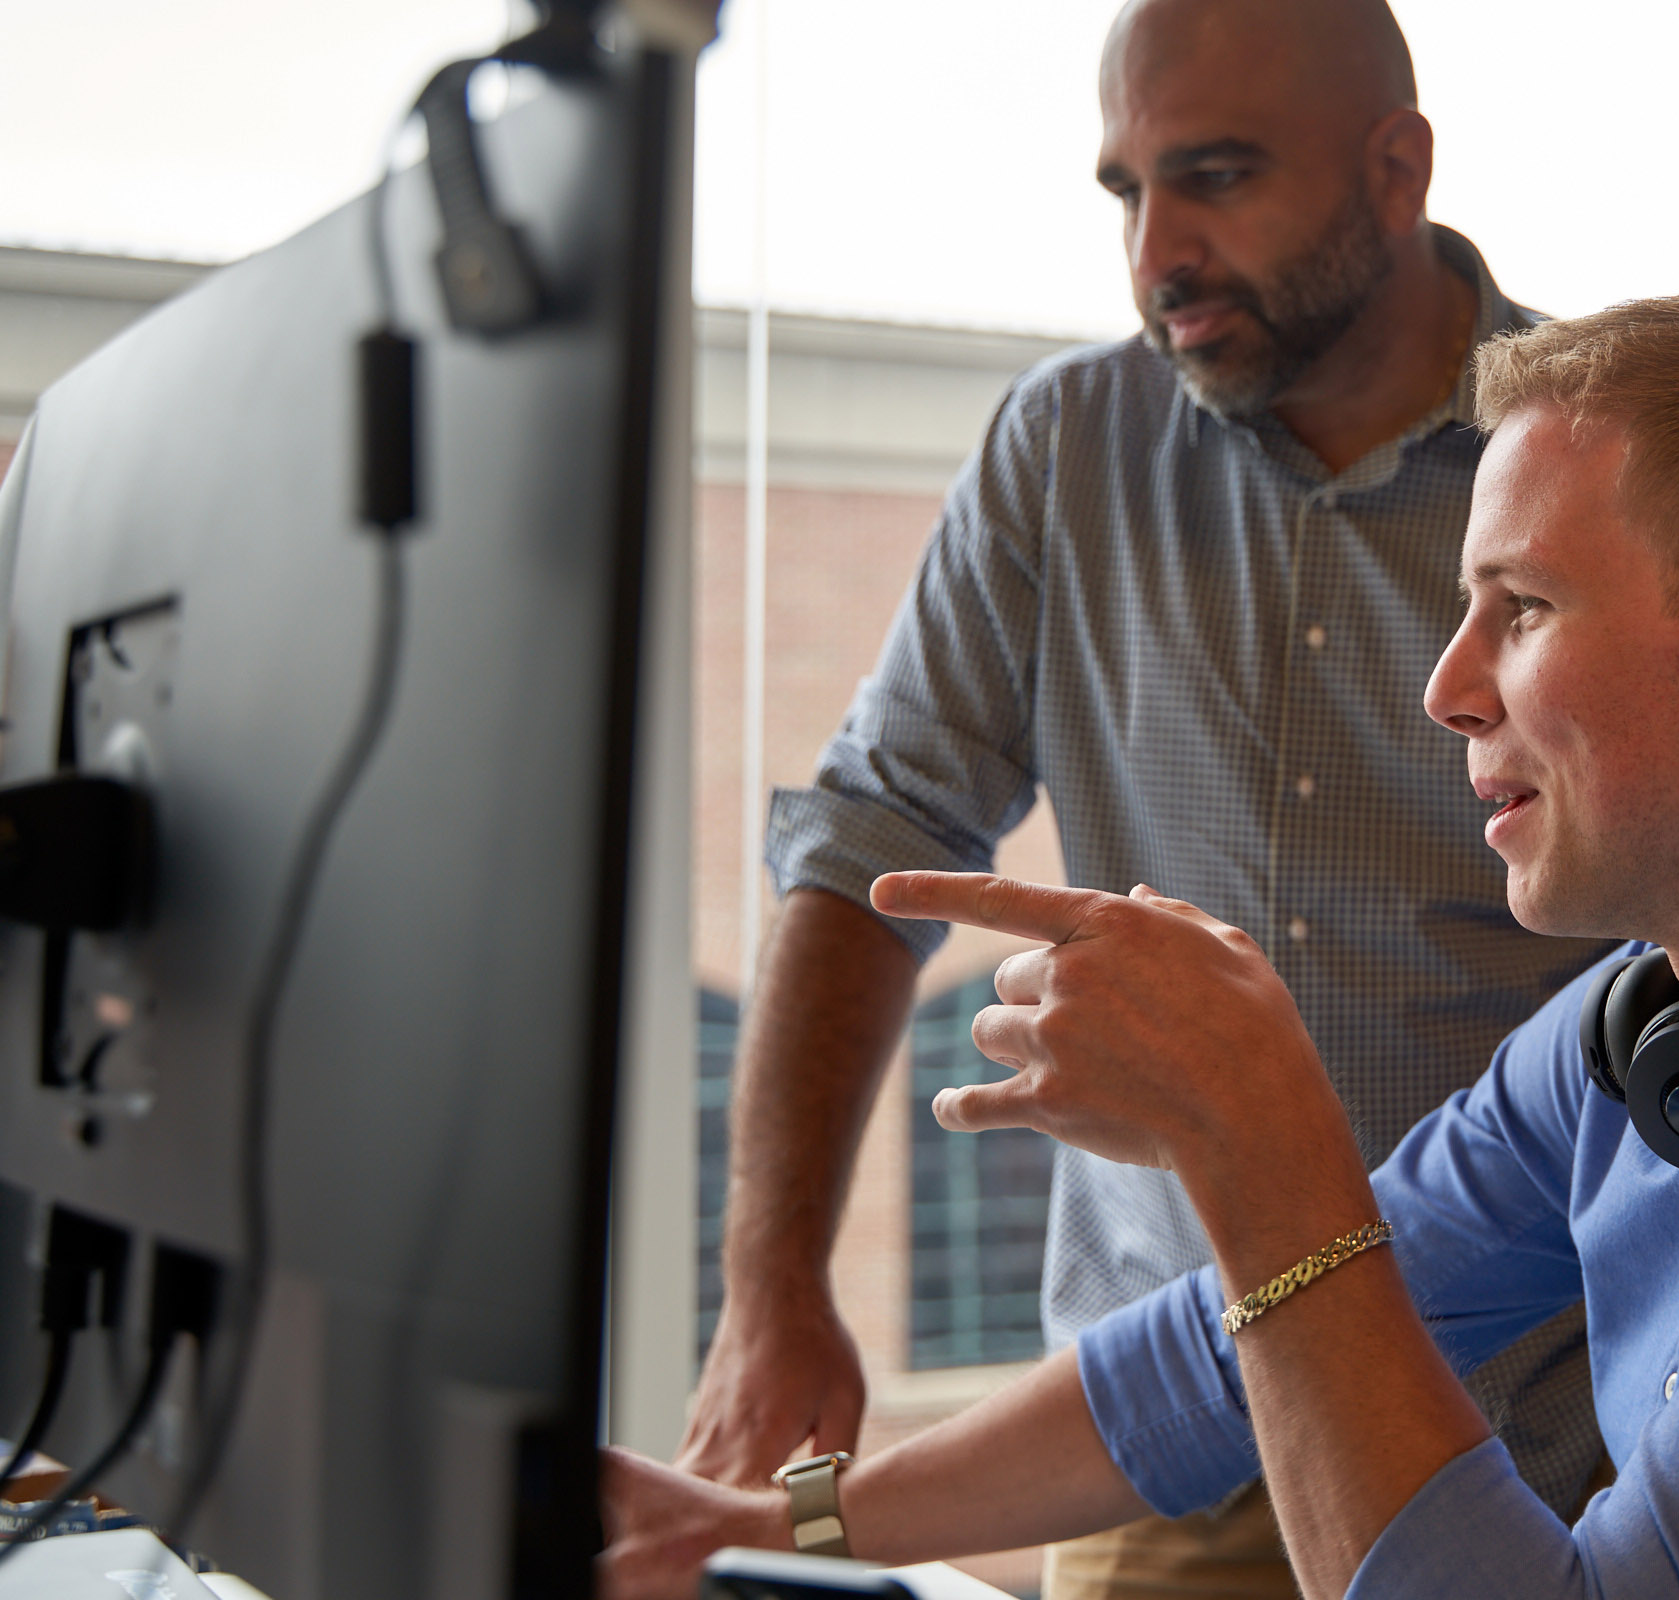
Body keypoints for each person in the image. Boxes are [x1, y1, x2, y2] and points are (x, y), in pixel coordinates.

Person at [603, 293, 1679, 1599]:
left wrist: (1257, 1143)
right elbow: (1202, 1364)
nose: (1448, 686)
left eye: (1527, 607)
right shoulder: (1642, 1030)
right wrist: (769, 1523)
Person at [678, 0, 1608, 1592]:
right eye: (1126, 191)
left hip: (1537, 1437)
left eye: (1219, 177)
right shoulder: (1066, 447)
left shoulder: (1587, 455)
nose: (1155, 248)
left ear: (1399, 172)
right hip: (1170, 1435)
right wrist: (771, 1297)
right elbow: (868, 847)